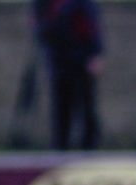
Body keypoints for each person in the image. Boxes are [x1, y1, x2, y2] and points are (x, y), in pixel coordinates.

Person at [32, 0, 104, 150]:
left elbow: (93, 25)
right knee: (61, 106)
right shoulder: (45, 4)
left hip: (82, 58)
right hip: (59, 60)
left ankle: (89, 147)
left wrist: (95, 54)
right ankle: (60, 147)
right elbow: (39, 26)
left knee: (86, 106)